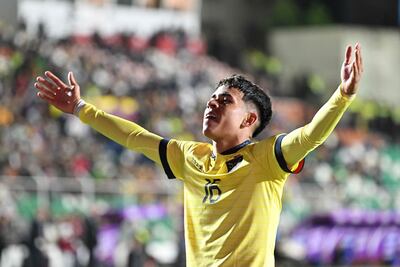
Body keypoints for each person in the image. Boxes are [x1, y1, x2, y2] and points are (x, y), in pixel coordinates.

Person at [34, 43, 363, 266]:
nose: (212, 104)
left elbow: (311, 134)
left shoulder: (268, 159)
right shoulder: (189, 157)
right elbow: (135, 137)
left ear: (249, 120)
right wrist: (80, 108)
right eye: (212, 98)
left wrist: (343, 96)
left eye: (225, 101)